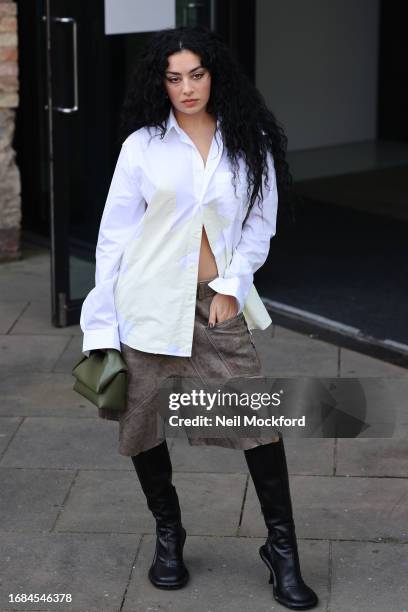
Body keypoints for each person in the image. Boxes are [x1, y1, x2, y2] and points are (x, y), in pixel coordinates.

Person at [80, 25, 318, 610]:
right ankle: (169, 534)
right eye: (173, 77)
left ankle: (281, 549)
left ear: (215, 75)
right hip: (146, 300)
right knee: (141, 422)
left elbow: (260, 224)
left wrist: (233, 287)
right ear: (159, 83)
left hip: (216, 302)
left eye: (197, 74)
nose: (186, 88)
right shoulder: (143, 146)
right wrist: (101, 326)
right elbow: (113, 239)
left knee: (257, 419)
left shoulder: (249, 138)